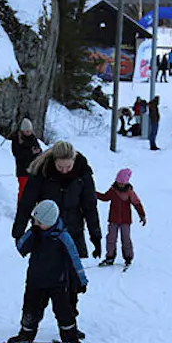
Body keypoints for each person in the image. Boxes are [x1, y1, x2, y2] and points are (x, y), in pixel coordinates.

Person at [12, 141, 101, 329]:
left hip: (73, 231)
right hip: (44, 232)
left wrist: (96, 235)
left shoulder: (83, 173)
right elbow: (26, 202)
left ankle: (70, 324)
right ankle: (30, 322)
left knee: (70, 281)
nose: (64, 170)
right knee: (40, 278)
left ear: (74, 160)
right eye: (60, 166)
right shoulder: (41, 172)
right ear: (53, 161)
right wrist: (19, 228)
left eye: (68, 166)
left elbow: (90, 205)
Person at [6, 200, 87, 343]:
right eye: (35, 221)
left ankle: (70, 338)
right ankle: (26, 335)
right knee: (30, 309)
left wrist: (81, 280)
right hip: (35, 281)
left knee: (64, 312)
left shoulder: (63, 237)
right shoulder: (35, 233)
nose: (36, 224)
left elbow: (74, 259)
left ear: (50, 221)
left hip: (58, 283)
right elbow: (21, 247)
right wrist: (31, 232)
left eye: (39, 222)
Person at [96, 169, 146, 268]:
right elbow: (105, 197)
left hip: (125, 221)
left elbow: (137, 203)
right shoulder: (113, 190)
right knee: (111, 238)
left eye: (123, 183)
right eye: (119, 182)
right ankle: (110, 257)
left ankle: (128, 257)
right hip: (113, 219)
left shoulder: (130, 192)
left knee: (126, 239)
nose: (121, 185)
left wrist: (142, 215)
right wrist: (94, 194)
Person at [10, 118, 42, 201]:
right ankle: (20, 208)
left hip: (33, 169)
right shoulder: (16, 140)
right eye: (27, 131)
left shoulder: (33, 138)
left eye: (30, 131)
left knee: (33, 191)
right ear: (22, 130)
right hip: (22, 170)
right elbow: (17, 154)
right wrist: (31, 153)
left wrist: (37, 152)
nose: (29, 133)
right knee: (23, 191)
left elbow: (39, 150)